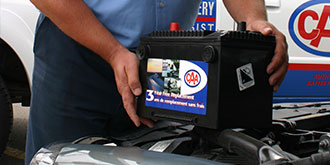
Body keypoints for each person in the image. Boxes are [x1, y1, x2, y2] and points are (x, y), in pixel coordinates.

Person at [26, 0, 288, 164]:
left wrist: (255, 20)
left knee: (154, 157)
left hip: (163, 63)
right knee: (64, 158)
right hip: (78, 54)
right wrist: (113, 51)